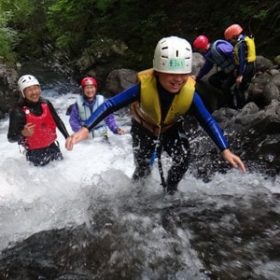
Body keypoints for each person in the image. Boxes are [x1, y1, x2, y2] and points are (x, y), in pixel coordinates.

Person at [65, 36, 246, 195]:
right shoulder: (143, 88)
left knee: (183, 158)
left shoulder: (190, 94)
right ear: (158, 72)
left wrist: (225, 149)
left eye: (183, 74)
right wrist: (85, 128)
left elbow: (207, 120)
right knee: (143, 169)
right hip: (143, 128)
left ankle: (171, 189)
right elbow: (110, 105)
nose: (178, 79)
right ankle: (136, 194)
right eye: (171, 74)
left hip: (169, 127)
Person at [7, 74, 70, 166]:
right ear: (22, 92)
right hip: (34, 153)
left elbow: (57, 121)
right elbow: (11, 138)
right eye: (29, 90)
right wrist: (22, 133)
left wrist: (67, 137)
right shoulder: (18, 111)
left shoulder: (46, 103)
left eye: (36, 88)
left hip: (53, 146)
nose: (34, 92)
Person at [193, 35, 236, 108]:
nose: (199, 51)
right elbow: (207, 67)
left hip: (236, 69)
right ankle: (227, 92)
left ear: (202, 48)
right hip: (228, 70)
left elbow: (234, 55)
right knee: (213, 80)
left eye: (198, 49)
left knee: (225, 86)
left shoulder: (219, 47)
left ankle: (232, 106)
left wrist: (239, 70)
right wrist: (197, 77)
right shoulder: (210, 54)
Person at [224, 24, 256, 108]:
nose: (230, 41)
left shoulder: (241, 44)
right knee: (240, 87)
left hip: (246, 68)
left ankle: (241, 109)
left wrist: (240, 75)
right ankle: (241, 107)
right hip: (251, 66)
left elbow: (242, 60)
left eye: (230, 39)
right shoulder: (247, 38)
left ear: (234, 35)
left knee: (238, 88)